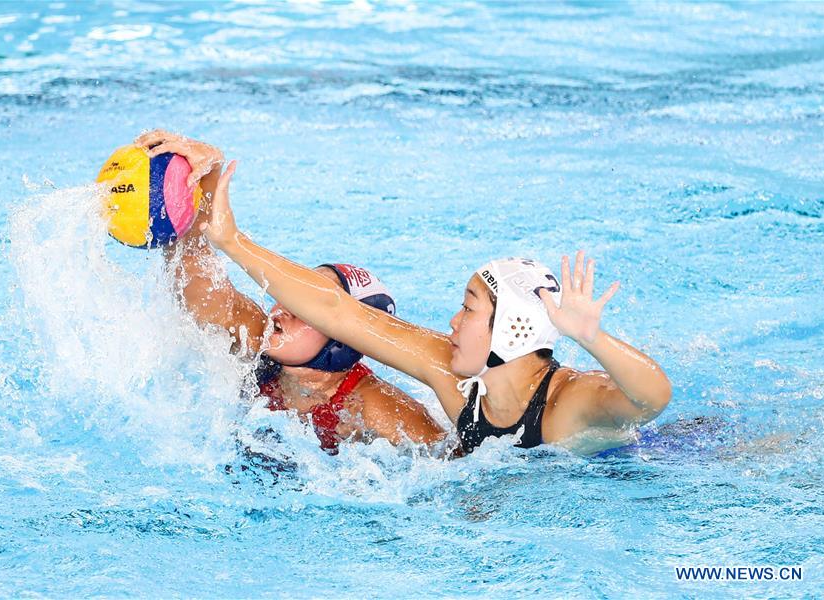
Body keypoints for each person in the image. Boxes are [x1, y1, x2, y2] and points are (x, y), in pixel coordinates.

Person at [165, 134, 673, 455]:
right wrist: (223, 229)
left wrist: (592, 338)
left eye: (469, 309)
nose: (453, 321)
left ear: (511, 330)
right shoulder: (454, 380)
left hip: (663, 463)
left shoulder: (567, 405)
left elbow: (651, 399)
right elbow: (340, 312)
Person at [133, 131, 445, 454]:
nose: (282, 308)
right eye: (292, 296)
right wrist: (202, 179)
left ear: (343, 340)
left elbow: (455, 465)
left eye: (305, 307)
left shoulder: (378, 409)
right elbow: (196, 283)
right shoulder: (260, 342)